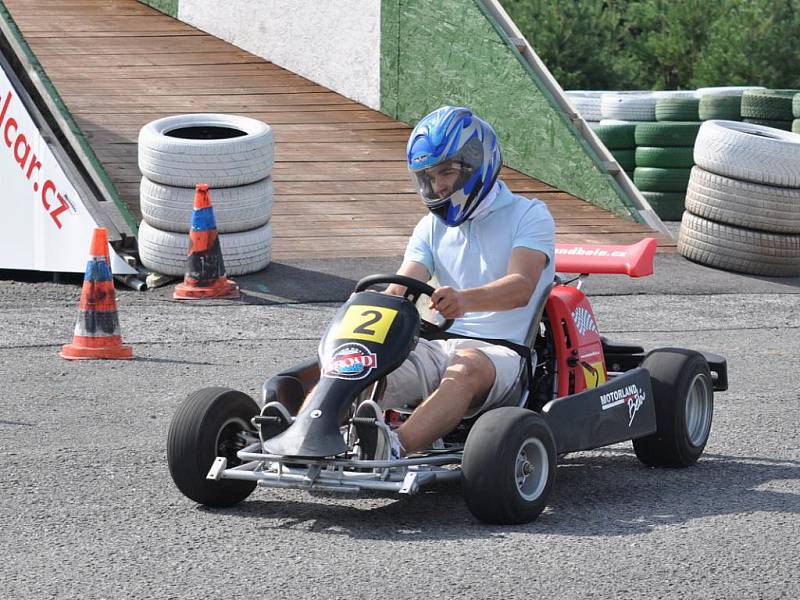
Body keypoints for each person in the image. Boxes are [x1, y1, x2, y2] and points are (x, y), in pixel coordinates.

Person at [354, 105, 556, 460]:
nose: (440, 184)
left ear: (476, 162)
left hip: (502, 354)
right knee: (360, 361)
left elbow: (521, 286)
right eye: (430, 176)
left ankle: (394, 447)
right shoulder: (430, 227)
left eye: (446, 171)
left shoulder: (529, 214)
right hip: (439, 345)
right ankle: (307, 431)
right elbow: (403, 283)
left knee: (466, 367)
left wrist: (464, 300)